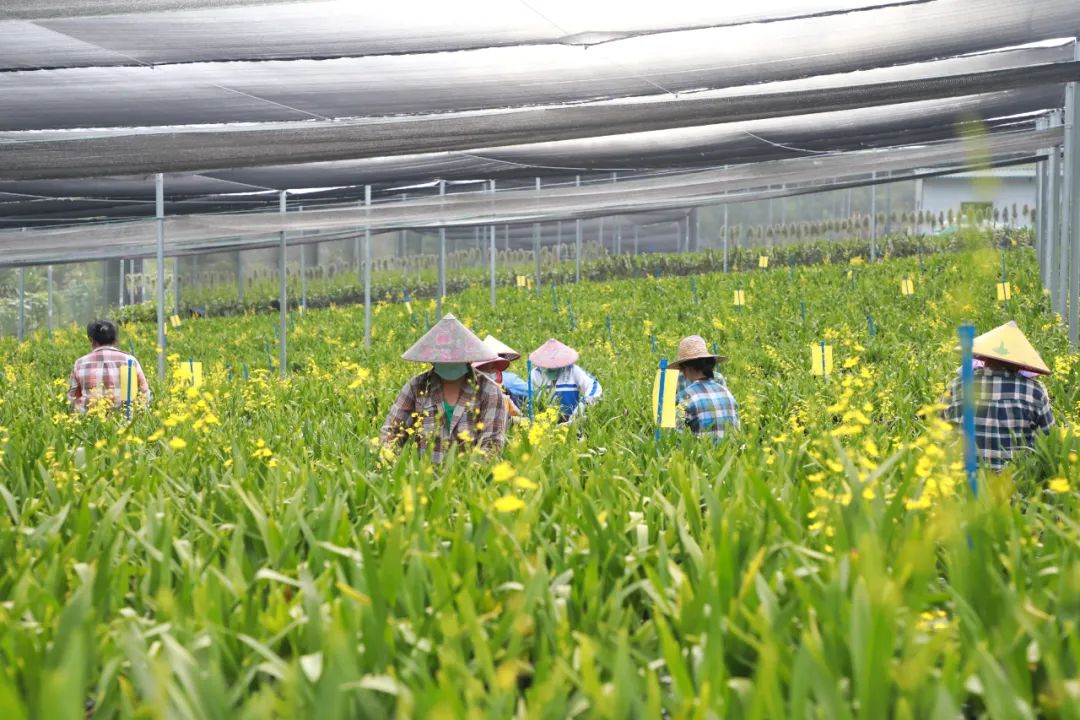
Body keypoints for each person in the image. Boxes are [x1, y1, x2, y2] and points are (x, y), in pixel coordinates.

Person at [381, 314, 509, 462]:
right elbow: (392, 432)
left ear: (469, 358)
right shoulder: (416, 387)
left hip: (473, 478)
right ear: (431, 359)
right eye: (443, 357)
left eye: (455, 357)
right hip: (425, 480)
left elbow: (492, 444)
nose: (449, 361)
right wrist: (389, 458)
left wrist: (466, 474)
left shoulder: (489, 391)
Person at [941, 321, 1054, 470]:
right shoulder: (1035, 392)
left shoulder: (956, 386)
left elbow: (939, 434)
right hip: (1014, 486)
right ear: (1020, 364)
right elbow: (1050, 442)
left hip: (962, 486)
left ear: (984, 358)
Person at [67, 319, 151, 414]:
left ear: (93, 341)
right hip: (123, 421)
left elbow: (72, 397)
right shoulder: (129, 361)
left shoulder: (80, 363)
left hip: (89, 422)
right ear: (115, 341)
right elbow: (144, 393)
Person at [669, 335, 739, 439]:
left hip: (702, 453)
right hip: (731, 453)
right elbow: (737, 431)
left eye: (681, 369)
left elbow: (675, 437)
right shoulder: (727, 393)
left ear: (687, 367)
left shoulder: (685, 397)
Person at [529, 338, 602, 422]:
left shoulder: (573, 370)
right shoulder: (535, 374)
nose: (552, 368)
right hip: (544, 422)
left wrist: (584, 403)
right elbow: (527, 397)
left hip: (571, 420)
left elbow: (594, 386)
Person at [472, 335, 524, 417]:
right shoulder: (472, 390)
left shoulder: (505, 390)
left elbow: (519, 413)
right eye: (487, 367)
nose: (492, 371)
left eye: (494, 367)